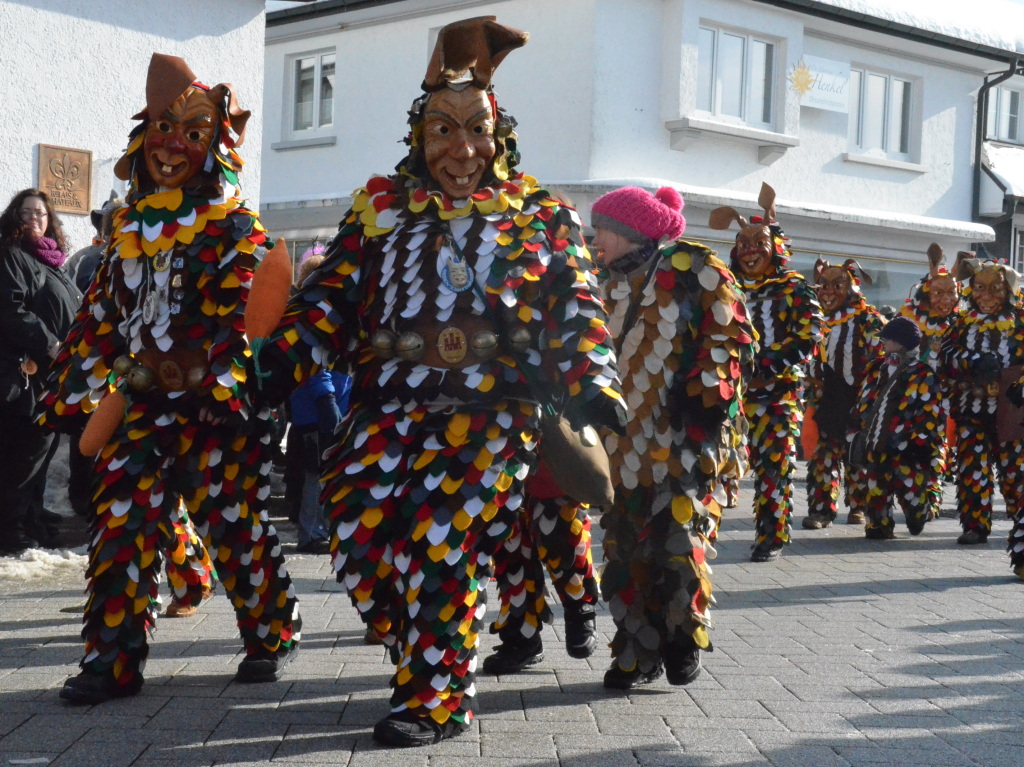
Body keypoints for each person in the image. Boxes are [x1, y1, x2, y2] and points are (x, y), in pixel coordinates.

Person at [254, 17, 624, 746]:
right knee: (359, 536)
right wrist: (282, 358)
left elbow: (577, 304)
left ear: (500, 133)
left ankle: (435, 697)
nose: (462, 149)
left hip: (492, 411)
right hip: (386, 405)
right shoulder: (379, 211)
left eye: (477, 130)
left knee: (442, 542)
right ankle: (426, 646)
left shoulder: (540, 214)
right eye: (443, 130)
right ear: (419, 139)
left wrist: (592, 381)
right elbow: (327, 299)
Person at [41, 53, 300, 704]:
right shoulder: (128, 230)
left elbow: (250, 319)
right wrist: (75, 379)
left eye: (191, 132)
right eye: (162, 127)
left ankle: (270, 631)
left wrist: (216, 378)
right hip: (137, 403)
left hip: (211, 408)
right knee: (121, 528)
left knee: (234, 526)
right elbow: (103, 313)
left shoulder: (236, 228)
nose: (171, 145)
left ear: (213, 148)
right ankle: (111, 662)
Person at [589, 185, 755, 689]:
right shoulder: (602, 282)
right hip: (620, 447)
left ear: (628, 232)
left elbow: (731, 336)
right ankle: (637, 653)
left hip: (683, 440)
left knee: (679, 543)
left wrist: (707, 395)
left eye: (601, 231)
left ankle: (684, 639)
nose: (595, 241)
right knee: (624, 551)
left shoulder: (694, 268)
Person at [709, 185, 823, 562]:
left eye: (758, 242)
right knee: (717, 463)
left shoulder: (794, 288)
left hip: (778, 396)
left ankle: (771, 536)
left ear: (776, 247)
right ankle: (704, 530)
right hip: (732, 393)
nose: (750, 250)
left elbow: (807, 336)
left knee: (774, 469)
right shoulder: (725, 287)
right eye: (743, 243)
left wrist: (765, 366)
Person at [0, 189, 81, 554]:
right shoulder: (11, 255)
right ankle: (10, 529)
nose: (35, 217)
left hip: (49, 371)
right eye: (27, 211)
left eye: (42, 213)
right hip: (23, 371)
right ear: (15, 217)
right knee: (25, 450)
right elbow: (12, 311)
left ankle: (31, 514)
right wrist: (49, 342)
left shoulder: (49, 261)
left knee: (41, 447)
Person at [941, 259, 1024, 568]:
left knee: (1015, 472)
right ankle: (975, 525)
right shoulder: (962, 323)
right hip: (971, 408)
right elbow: (945, 356)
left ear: (1008, 291)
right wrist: (971, 361)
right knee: (972, 467)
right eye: (979, 288)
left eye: (995, 289)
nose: (986, 296)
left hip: (1012, 412)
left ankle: (1020, 523)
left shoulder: (1021, 322)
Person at [803, 259, 884, 529]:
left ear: (851, 288)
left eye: (837, 285)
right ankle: (822, 510)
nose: (828, 292)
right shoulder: (812, 317)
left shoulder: (866, 318)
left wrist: (871, 394)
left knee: (856, 452)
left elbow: (881, 356)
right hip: (825, 395)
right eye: (823, 285)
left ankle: (858, 506)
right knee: (823, 454)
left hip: (856, 395)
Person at [852, 317, 942, 538]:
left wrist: (919, 440)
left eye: (888, 339)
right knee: (875, 483)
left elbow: (928, 409)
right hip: (876, 440)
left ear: (901, 343)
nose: (883, 343)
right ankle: (878, 526)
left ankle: (918, 512)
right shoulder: (877, 367)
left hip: (905, 444)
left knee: (909, 485)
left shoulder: (922, 372)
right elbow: (866, 400)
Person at [286, 250, 352, 555]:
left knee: (321, 473)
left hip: (326, 403)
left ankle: (319, 529)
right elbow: (315, 359)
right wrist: (327, 399)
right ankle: (310, 533)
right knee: (315, 473)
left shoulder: (318, 305)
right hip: (316, 408)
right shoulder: (311, 309)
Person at [898, 243, 964, 519]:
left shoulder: (962, 323)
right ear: (927, 293)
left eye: (951, 292)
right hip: (911, 396)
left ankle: (930, 499)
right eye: (939, 292)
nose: (945, 299)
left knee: (938, 444)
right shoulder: (911, 318)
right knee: (911, 444)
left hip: (946, 397)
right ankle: (911, 496)